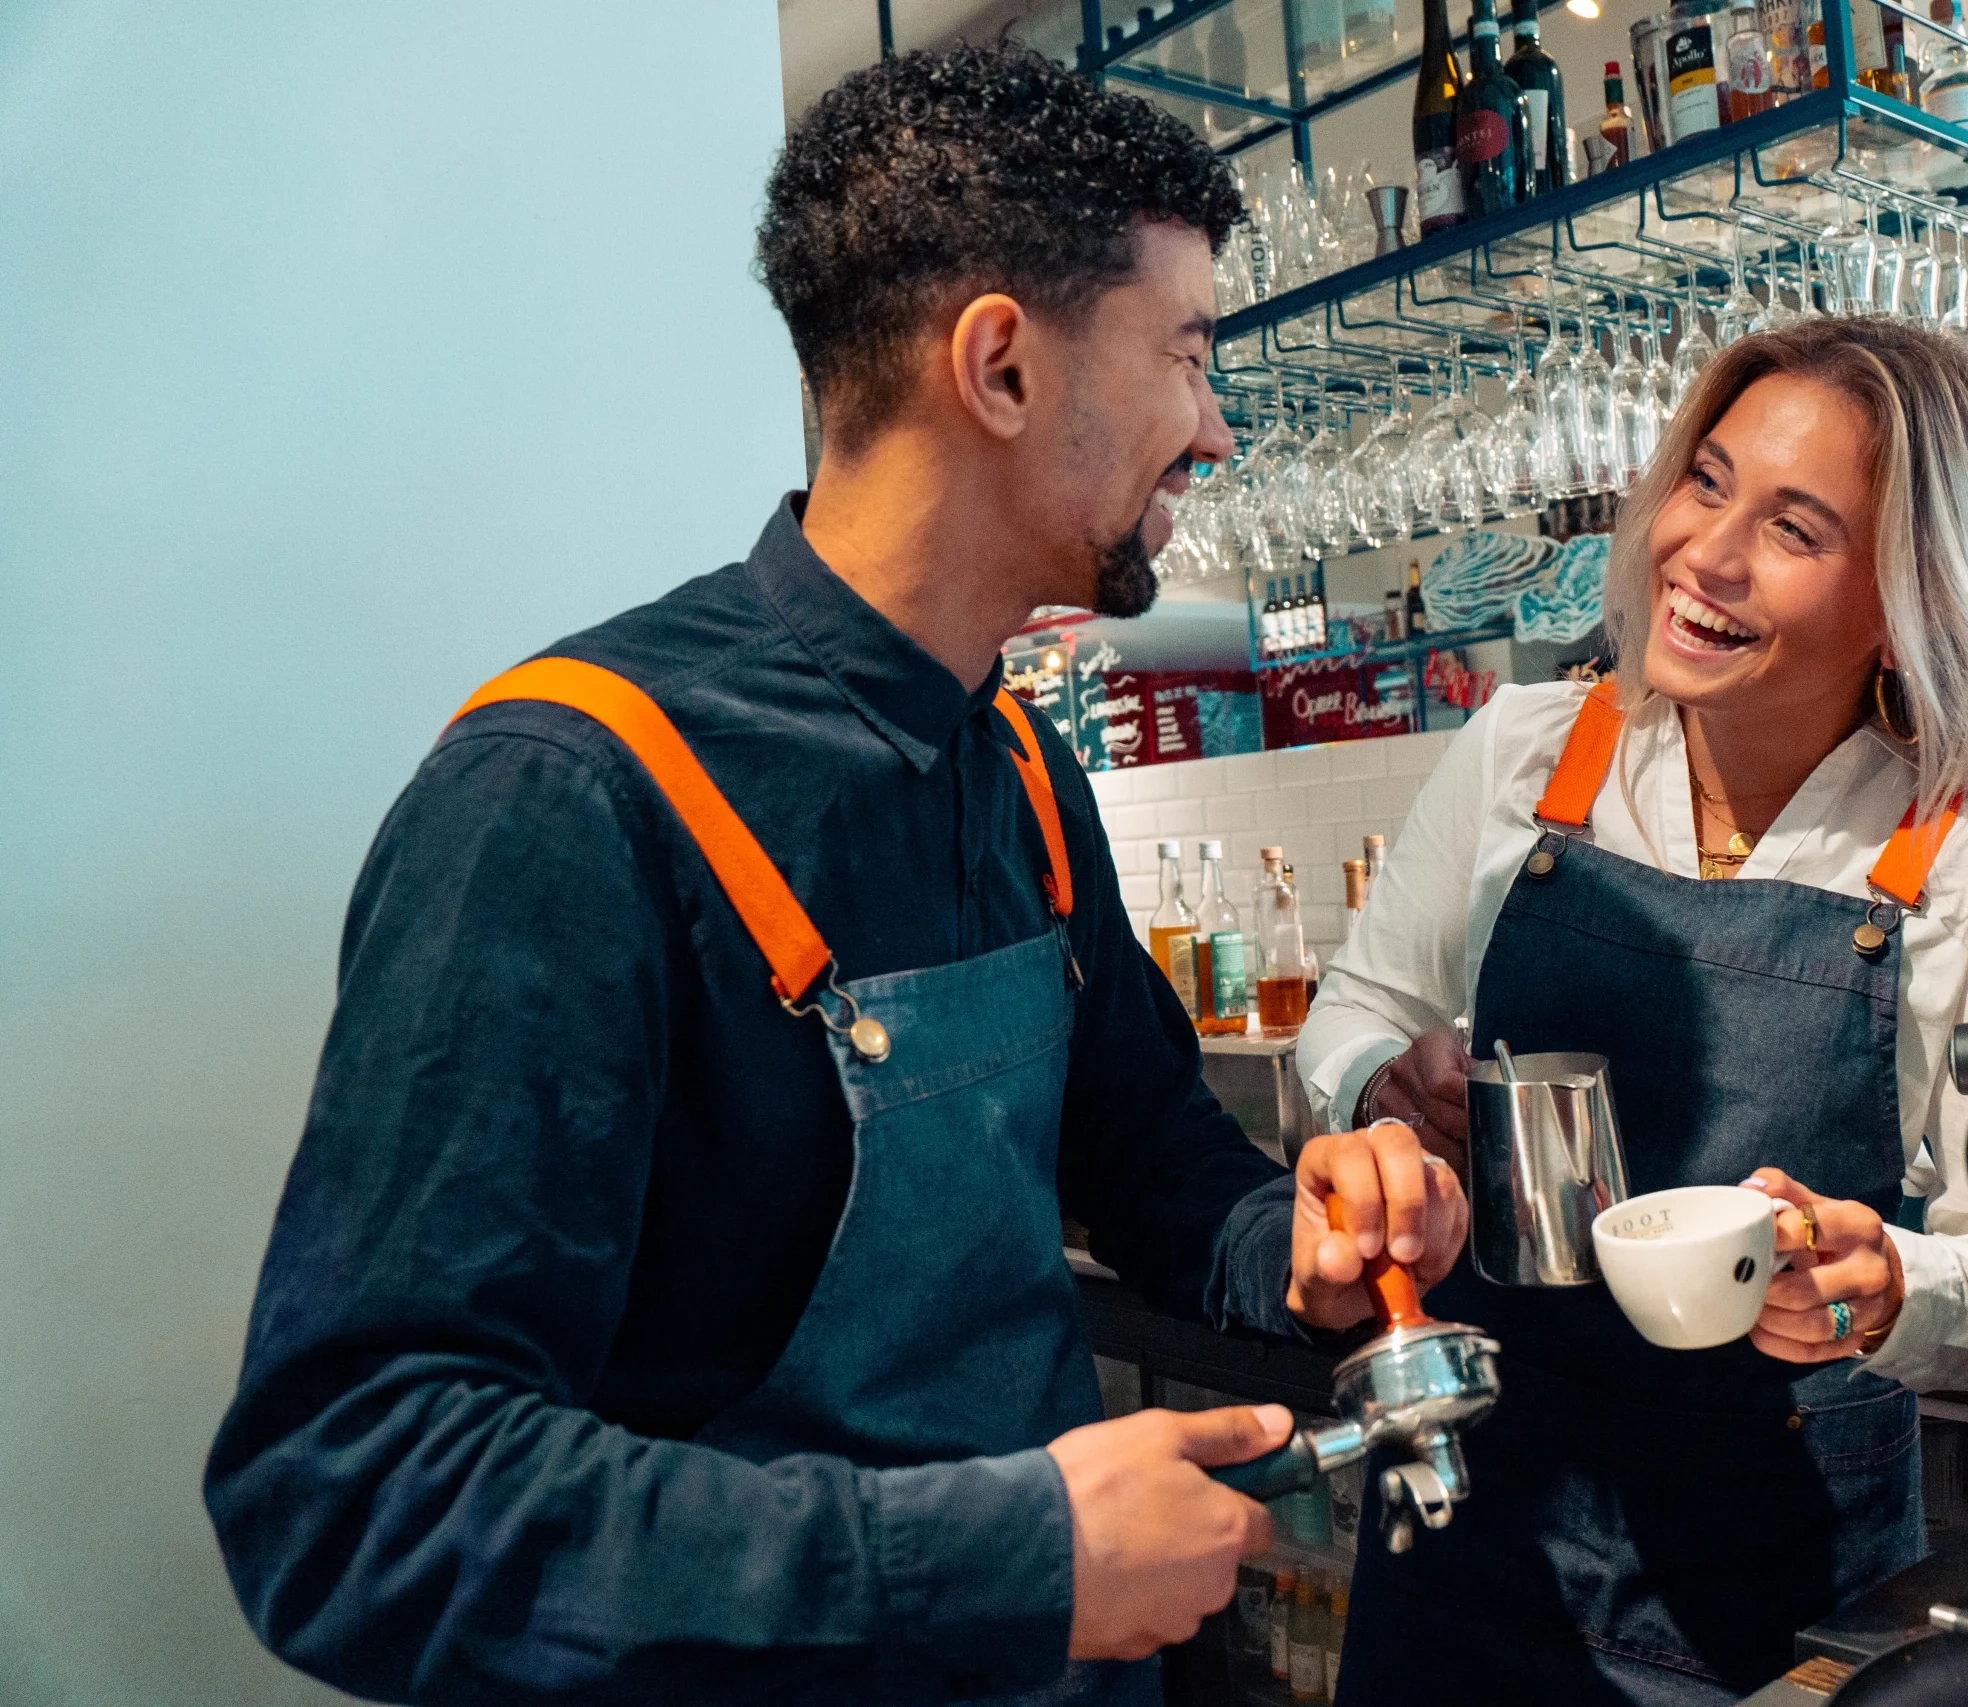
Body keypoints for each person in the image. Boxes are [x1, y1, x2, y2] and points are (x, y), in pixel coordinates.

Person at [204, 47, 1462, 1707]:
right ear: (1001, 367)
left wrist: (1285, 1243)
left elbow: (1151, 1156)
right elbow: (351, 1491)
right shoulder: (567, 796)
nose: (1215, 429)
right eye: (1188, 354)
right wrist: (1002, 1554)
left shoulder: (1016, 761)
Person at [1298, 317, 1968, 1703]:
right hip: (1475, 1543)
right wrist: (1384, 1091)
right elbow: (1350, 1019)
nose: (1707, 554)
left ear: (1909, 593)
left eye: (1793, 527)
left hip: (1778, 1592)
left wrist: (1888, 1285)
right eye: (1707, 481)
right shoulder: (1528, 753)